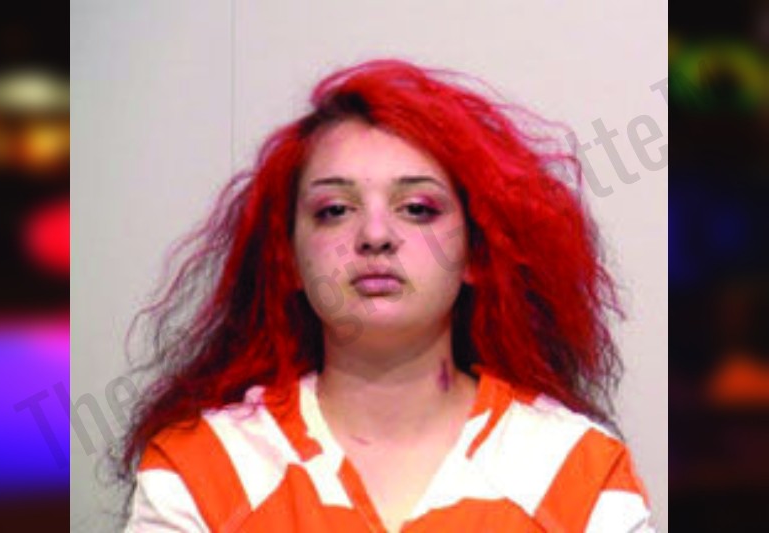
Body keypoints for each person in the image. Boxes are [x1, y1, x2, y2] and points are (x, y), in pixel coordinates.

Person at [120, 59, 654, 532]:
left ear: (475, 253)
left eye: (418, 209)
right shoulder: (202, 472)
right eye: (334, 210)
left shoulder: (577, 473)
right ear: (288, 262)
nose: (375, 235)